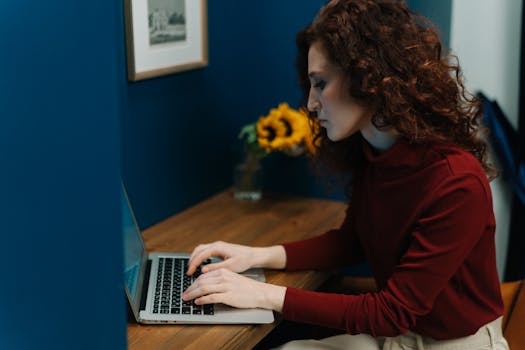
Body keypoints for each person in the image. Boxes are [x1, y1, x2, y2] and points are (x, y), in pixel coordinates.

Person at [182, 0, 509, 348]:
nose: (310, 103)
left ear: (368, 78)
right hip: (400, 334)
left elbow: (391, 311)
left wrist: (263, 295)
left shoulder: (457, 182)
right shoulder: (375, 154)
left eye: (320, 83)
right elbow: (351, 242)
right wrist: (255, 255)